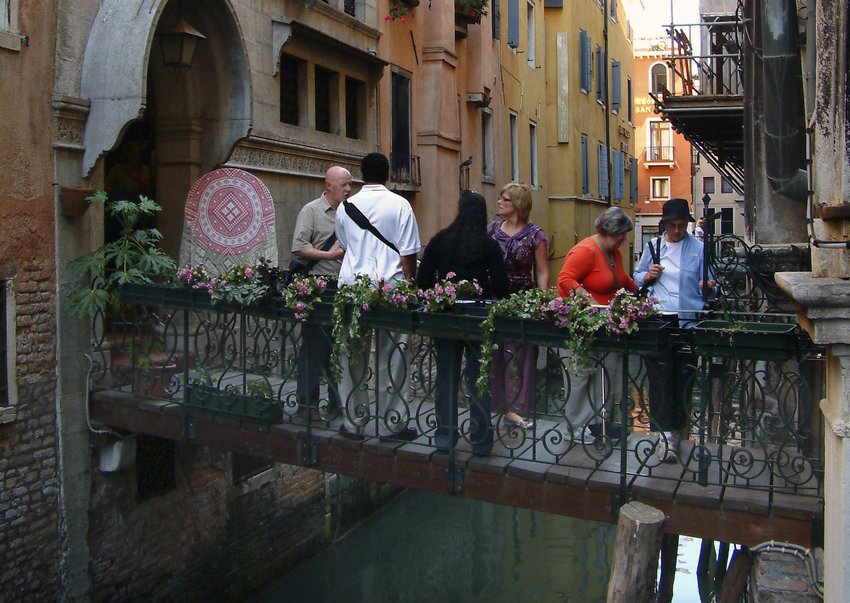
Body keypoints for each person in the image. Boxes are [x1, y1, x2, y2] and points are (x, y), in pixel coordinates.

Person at [335, 153, 421, 441]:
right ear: (387, 175)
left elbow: (346, 246)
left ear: (362, 175)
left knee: (352, 355)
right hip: (390, 289)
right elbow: (409, 253)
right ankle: (393, 423)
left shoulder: (346, 206)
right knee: (394, 356)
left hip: (352, 288)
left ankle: (353, 422)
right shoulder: (400, 205)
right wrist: (409, 284)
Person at [417, 191, 509, 456]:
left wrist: (444, 292)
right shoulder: (488, 245)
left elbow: (422, 281)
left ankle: (445, 435)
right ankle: (480, 439)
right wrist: (481, 289)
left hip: (445, 318)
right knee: (478, 379)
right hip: (478, 320)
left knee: (446, 375)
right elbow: (502, 287)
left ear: (459, 211)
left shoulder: (439, 241)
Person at [634, 198, 715, 462]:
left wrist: (709, 286)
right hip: (658, 319)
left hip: (687, 320)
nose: (677, 231)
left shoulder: (699, 249)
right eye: (672, 225)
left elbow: (714, 284)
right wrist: (647, 277)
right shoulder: (653, 246)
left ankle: (678, 429)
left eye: (681, 225)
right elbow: (636, 277)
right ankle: (664, 435)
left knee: (684, 377)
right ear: (665, 225)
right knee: (658, 379)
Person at [557, 207, 638, 443]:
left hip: (606, 326)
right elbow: (565, 279)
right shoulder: (585, 250)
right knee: (580, 375)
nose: (624, 239)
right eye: (621, 234)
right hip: (583, 325)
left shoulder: (614, 253)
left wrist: (638, 291)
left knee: (606, 373)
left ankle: (598, 422)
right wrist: (585, 297)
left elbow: (621, 279)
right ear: (609, 231)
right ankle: (574, 426)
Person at [291, 166, 351, 418]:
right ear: (329, 185)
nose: (349, 189)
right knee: (314, 348)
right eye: (344, 184)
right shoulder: (312, 211)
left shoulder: (350, 213)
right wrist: (328, 255)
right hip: (317, 286)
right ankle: (307, 405)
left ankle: (336, 404)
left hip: (342, 287)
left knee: (337, 348)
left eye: (350, 184)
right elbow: (298, 247)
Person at [487, 183, 549, 430]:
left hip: (523, 300)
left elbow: (543, 272)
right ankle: (494, 403)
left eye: (505, 199)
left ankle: (516, 409)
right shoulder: (491, 230)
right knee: (494, 353)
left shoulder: (536, 235)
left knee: (519, 356)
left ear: (518, 205)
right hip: (494, 298)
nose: (499, 202)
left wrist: (542, 303)